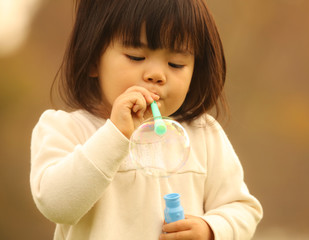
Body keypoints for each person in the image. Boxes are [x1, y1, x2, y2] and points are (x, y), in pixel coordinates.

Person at [30, 0, 263, 239]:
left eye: (176, 64)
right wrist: (115, 135)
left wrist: (210, 229)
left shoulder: (203, 134)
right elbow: (56, 205)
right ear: (92, 59)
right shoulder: (66, 129)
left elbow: (243, 209)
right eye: (136, 56)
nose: (156, 75)